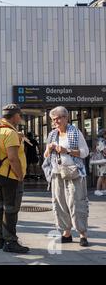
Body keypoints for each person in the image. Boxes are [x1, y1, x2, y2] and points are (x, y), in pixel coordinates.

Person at [44, 106, 90, 247]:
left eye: (58, 118)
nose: (56, 121)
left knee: (77, 203)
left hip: (74, 172)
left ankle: (83, 234)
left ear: (66, 118)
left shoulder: (75, 132)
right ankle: (67, 233)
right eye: (53, 119)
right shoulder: (52, 135)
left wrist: (67, 150)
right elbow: (46, 155)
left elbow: (85, 152)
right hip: (57, 172)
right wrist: (49, 149)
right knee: (60, 204)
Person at [0, 104, 29, 253]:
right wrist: (20, 176)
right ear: (14, 116)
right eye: (19, 115)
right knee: (11, 209)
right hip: (11, 175)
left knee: (1, 206)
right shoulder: (10, 133)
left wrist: (17, 137)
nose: (20, 118)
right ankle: (11, 241)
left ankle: (1, 238)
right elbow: (13, 158)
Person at [94, 129, 106, 196]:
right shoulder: (102, 141)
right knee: (101, 176)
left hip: (101, 160)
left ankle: (104, 190)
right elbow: (104, 151)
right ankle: (98, 190)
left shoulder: (99, 141)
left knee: (103, 176)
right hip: (103, 160)